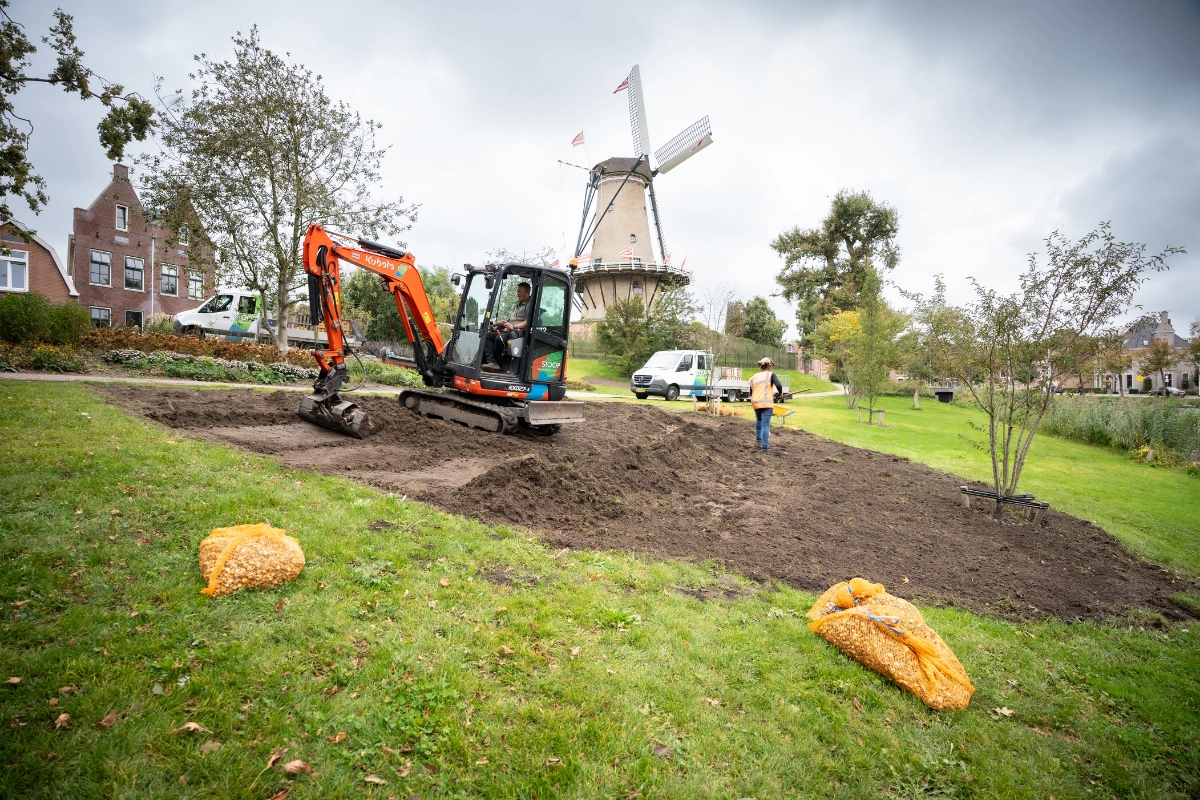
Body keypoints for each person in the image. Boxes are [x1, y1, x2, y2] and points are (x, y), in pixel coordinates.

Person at [484, 282, 532, 368]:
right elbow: (507, 321)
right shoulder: (516, 305)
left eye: (519, 291)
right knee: (487, 335)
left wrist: (514, 326)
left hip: (517, 333)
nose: (517, 293)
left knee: (500, 338)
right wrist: (494, 324)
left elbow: (528, 321)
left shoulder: (530, 305)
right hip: (507, 331)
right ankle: (491, 362)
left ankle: (499, 363)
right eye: (517, 291)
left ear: (527, 293)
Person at [748, 356, 783, 452]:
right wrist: (779, 394)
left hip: (756, 404)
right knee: (765, 425)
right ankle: (764, 448)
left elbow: (751, 392)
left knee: (759, 420)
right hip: (766, 404)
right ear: (769, 366)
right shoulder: (771, 375)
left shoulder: (754, 377)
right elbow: (779, 385)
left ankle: (758, 440)